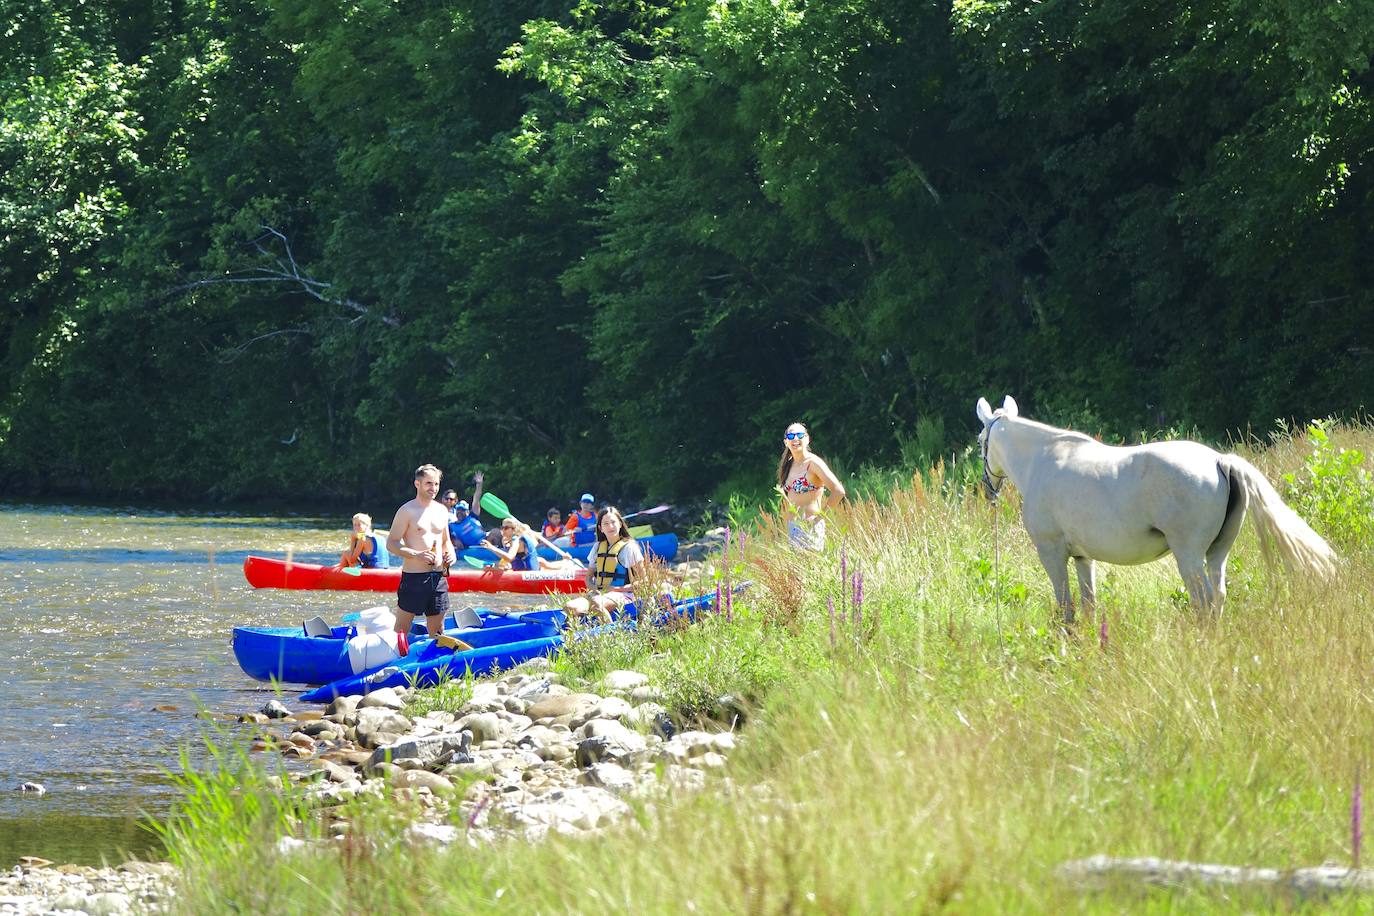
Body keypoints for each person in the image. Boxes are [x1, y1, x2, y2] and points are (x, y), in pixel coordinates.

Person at [386, 464, 457, 647]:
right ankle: (393, 657)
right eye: (429, 483)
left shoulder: (442, 510)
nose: (433, 488)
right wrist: (416, 554)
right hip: (414, 578)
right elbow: (391, 543)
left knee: (438, 630)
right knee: (401, 629)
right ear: (417, 484)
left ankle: (435, 662)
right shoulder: (406, 511)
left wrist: (451, 554)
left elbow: (445, 541)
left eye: (436, 484)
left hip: (439, 577)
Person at [564, 506, 645, 623]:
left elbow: (643, 581)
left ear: (620, 524)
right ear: (600, 528)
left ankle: (611, 631)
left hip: (625, 595)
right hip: (599, 595)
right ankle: (583, 630)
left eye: (613, 522)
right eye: (606, 524)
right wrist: (595, 589)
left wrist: (617, 589)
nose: (610, 526)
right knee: (570, 607)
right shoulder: (597, 547)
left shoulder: (629, 547)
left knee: (596, 603)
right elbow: (588, 578)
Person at [778, 422, 845, 550]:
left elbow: (838, 491)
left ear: (807, 439)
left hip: (810, 528)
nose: (795, 439)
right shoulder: (788, 465)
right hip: (793, 528)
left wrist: (820, 518)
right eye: (791, 436)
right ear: (786, 442)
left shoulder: (813, 463)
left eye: (799, 435)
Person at [445, 471, 487, 548]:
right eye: (458, 510)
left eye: (463, 510)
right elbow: (448, 537)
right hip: (468, 549)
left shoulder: (473, 516)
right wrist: (455, 540)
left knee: (495, 532)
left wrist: (479, 485)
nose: (460, 512)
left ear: (467, 512)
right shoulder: (451, 525)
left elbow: (476, 499)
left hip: (484, 543)